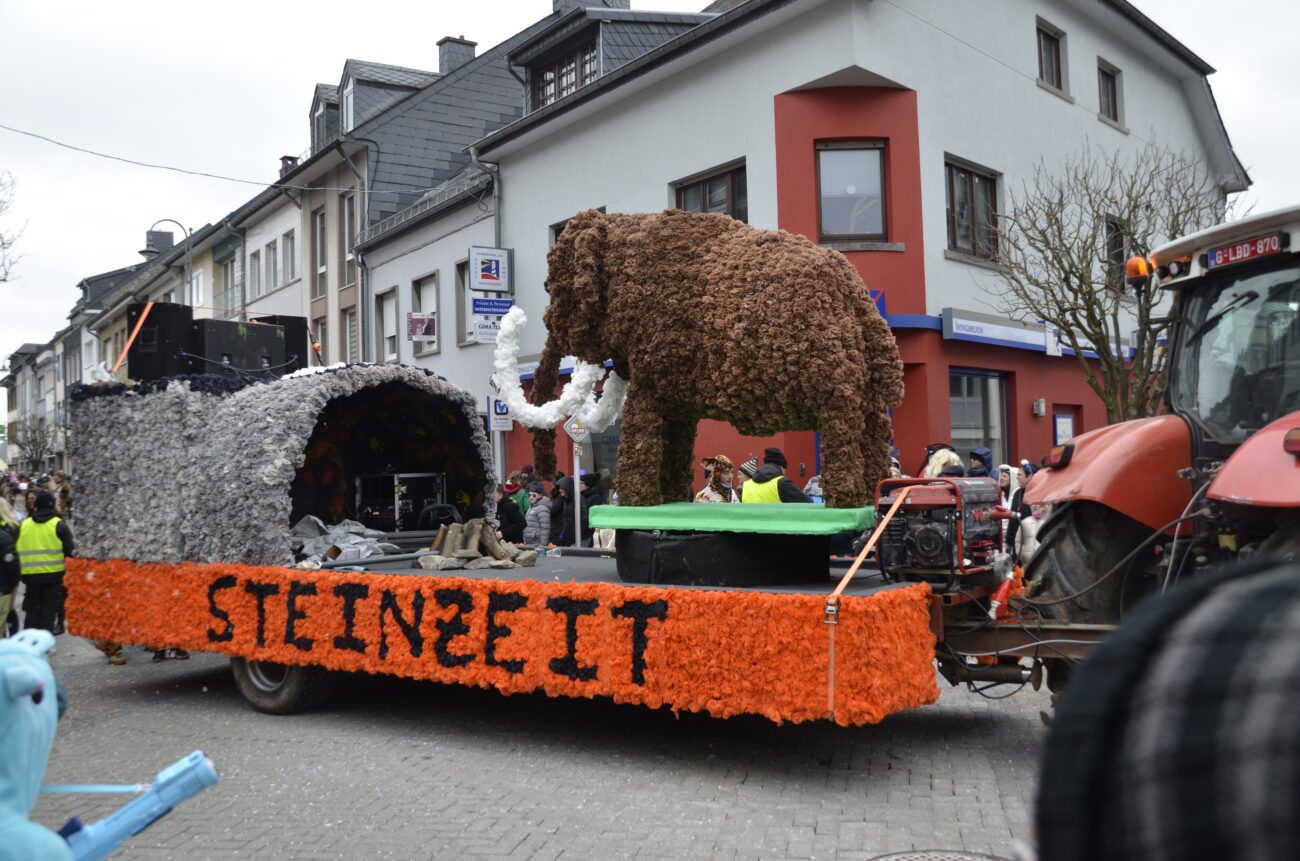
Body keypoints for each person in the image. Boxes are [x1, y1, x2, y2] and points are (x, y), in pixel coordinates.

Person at [15, 491, 73, 633]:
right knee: (48, 611)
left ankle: (30, 638)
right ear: (52, 506)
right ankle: (45, 639)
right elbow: (70, 551)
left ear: (36, 505)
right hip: (54, 577)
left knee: (32, 610)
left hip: (30, 576)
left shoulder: (24, 525)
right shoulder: (59, 525)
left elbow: (16, 548)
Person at [740, 447, 812, 503]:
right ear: (781, 467)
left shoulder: (747, 485)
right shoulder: (782, 483)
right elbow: (807, 503)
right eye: (784, 470)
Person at [1005, 461, 1036, 554]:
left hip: (1030, 543)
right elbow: (1011, 519)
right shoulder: (1017, 493)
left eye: (1020, 475)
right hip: (1016, 543)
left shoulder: (1036, 494)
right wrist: (1009, 541)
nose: (1017, 477)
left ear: (1029, 476)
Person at [0, 497, 19, 638]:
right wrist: (13, 583)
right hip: (4, 584)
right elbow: (10, 562)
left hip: (5, 580)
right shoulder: (11, 528)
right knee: (9, 611)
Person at [578, 472, 605, 546]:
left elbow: (594, 516)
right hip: (582, 531)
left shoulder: (596, 497)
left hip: (589, 533)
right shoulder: (581, 495)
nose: (579, 485)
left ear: (588, 484)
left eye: (581, 483)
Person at [549, 475, 574, 546]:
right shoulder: (564, 499)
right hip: (562, 532)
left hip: (564, 532)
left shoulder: (563, 498)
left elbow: (553, 510)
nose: (560, 490)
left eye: (561, 488)